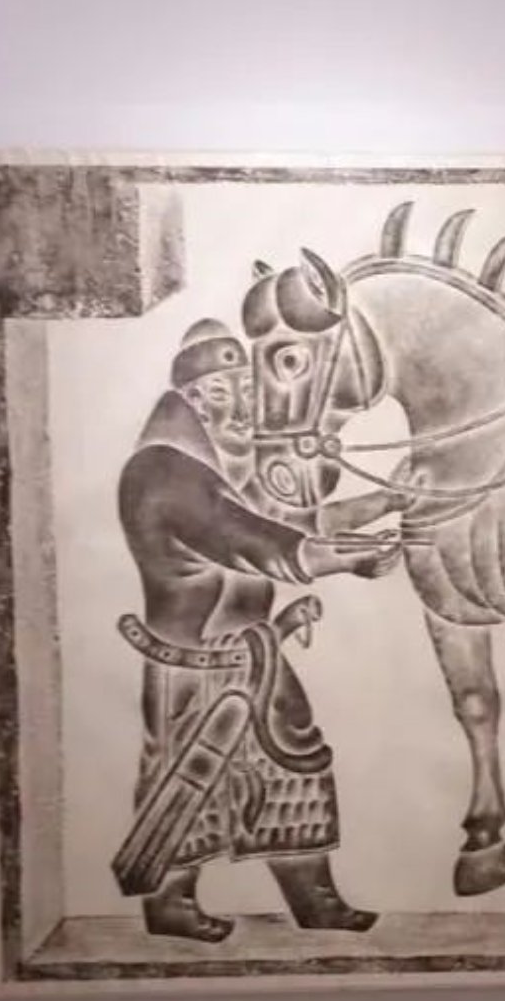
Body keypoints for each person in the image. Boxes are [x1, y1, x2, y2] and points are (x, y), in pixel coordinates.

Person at [110, 316, 403, 943]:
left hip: (255, 652)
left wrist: (381, 503)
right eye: (224, 391)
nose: (244, 405)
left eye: (247, 388)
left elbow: (291, 522)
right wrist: (346, 560)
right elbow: (252, 541)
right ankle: (170, 902)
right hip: (191, 664)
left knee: (296, 762)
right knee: (186, 778)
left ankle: (313, 897)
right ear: (192, 401)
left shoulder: (221, 466)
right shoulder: (163, 474)